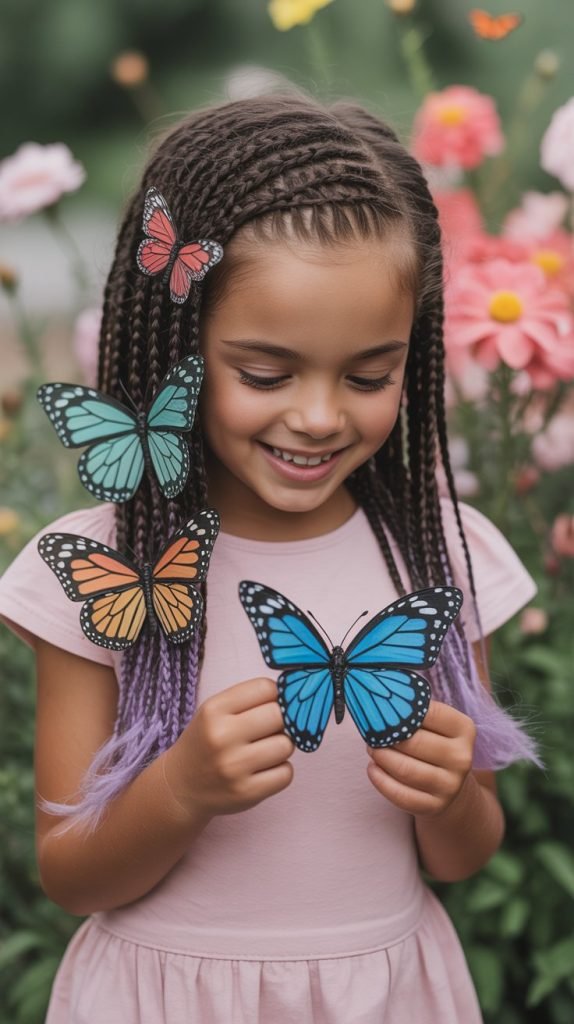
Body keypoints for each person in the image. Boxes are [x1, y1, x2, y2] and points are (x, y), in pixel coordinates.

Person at [0, 93, 540, 1024]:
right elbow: (73, 876)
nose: (321, 415)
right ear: (178, 346)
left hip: (383, 995)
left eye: (369, 375)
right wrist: (180, 789)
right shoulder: (105, 564)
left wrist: (452, 797)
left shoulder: (436, 556)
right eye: (265, 374)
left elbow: (462, 855)